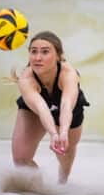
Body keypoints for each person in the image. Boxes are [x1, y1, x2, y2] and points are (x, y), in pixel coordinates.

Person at [11, 31, 90, 184]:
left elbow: (66, 106)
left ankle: (62, 181)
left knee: (65, 149)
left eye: (45, 52)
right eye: (33, 51)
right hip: (36, 109)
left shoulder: (68, 73)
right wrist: (54, 134)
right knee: (20, 159)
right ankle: (40, 187)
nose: (38, 57)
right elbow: (41, 109)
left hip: (69, 108)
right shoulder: (26, 78)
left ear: (58, 56)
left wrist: (63, 132)